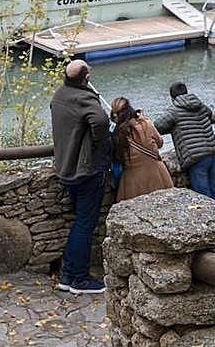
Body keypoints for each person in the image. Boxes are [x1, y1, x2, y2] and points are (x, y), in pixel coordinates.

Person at [49, 59, 109, 295]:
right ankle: (79, 279)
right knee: (84, 224)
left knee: (78, 222)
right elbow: (101, 122)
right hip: (86, 170)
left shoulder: (59, 95)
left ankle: (66, 276)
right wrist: (97, 146)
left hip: (65, 167)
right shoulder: (85, 98)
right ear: (85, 78)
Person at [154, 82, 215, 200]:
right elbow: (209, 114)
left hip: (196, 157)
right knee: (214, 191)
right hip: (213, 151)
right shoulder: (199, 104)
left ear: (172, 97)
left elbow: (158, 125)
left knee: (204, 197)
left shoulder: (174, 111)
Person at [110, 97, 172, 201]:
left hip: (132, 182)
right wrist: (143, 119)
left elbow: (116, 157)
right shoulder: (145, 124)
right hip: (157, 175)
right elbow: (160, 143)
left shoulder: (116, 133)